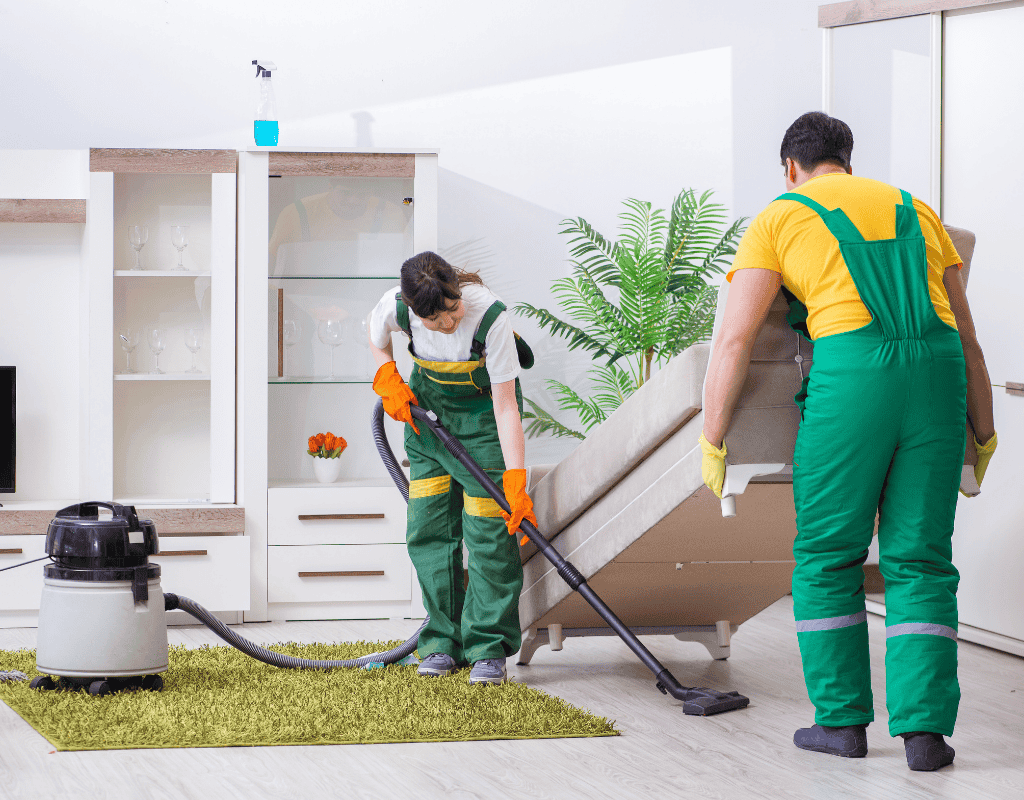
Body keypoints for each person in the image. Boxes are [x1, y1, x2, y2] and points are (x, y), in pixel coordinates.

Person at [699, 112, 997, 771]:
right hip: (939, 375)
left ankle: (841, 724)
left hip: (855, 375)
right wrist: (984, 430)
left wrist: (713, 438)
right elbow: (969, 338)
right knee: (920, 560)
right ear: (848, 162)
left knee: (829, 554)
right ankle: (925, 737)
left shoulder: (779, 216)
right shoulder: (916, 209)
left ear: (790, 168)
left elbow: (736, 340)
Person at [368, 251, 536, 685]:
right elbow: (375, 334)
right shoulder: (396, 306)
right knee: (429, 531)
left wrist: (516, 480)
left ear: (458, 292)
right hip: (427, 427)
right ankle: (442, 640)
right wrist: (387, 373)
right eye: (435, 319)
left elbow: (505, 407)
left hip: (483, 428)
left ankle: (487, 647)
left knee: (489, 539)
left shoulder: (490, 317)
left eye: (452, 308)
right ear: (414, 310)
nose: (448, 323)